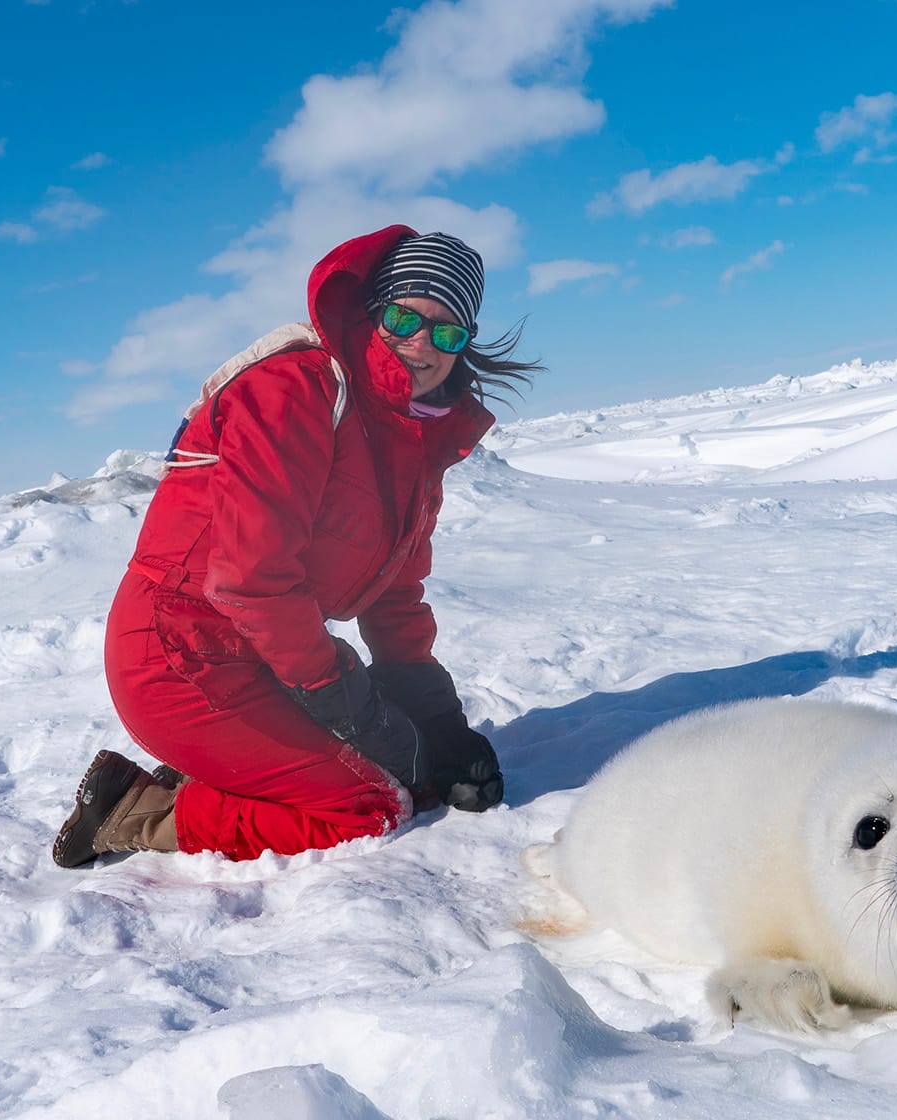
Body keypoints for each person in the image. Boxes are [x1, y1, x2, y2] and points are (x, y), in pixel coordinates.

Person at [53, 225, 541, 866]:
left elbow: (395, 590)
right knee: (371, 806)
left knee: (421, 775)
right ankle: (138, 813)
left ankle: (239, 773)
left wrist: (434, 713)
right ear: (374, 312)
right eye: (405, 316)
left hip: (267, 651)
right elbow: (250, 576)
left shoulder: (409, 435)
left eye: (448, 331)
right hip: (179, 656)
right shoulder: (297, 387)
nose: (423, 343)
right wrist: (338, 691)